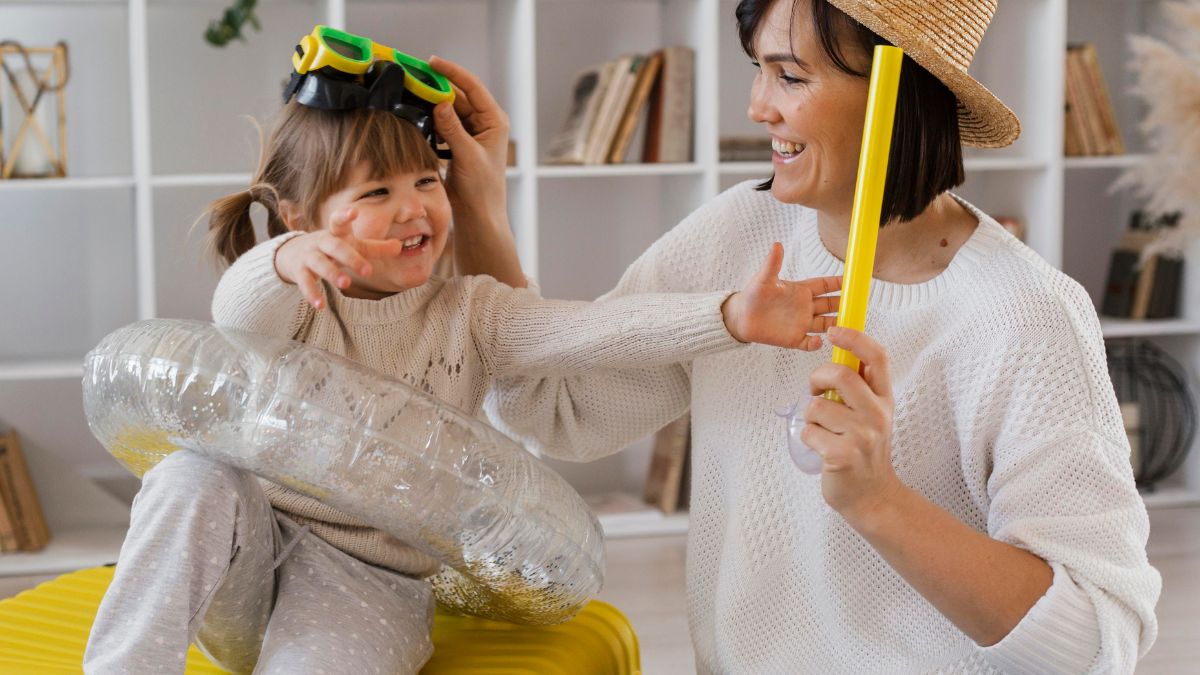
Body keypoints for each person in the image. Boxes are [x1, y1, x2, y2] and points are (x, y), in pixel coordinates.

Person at [82, 37, 845, 673]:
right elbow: (234, 314)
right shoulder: (294, 293)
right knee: (191, 473)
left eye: (426, 180)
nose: (413, 207)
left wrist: (732, 315)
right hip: (246, 548)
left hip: (368, 581)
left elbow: (589, 330)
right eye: (376, 192)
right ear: (299, 217)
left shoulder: (472, 314)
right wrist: (286, 258)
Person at [477, 1, 1162, 672]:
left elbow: (1097, 645)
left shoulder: (1029, 318)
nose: (757, 106)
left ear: (900, 94)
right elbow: (556, 409)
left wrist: (880, 500)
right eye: (759, 68)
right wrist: (478, 211)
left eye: (791, 76)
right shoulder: (738, 232)